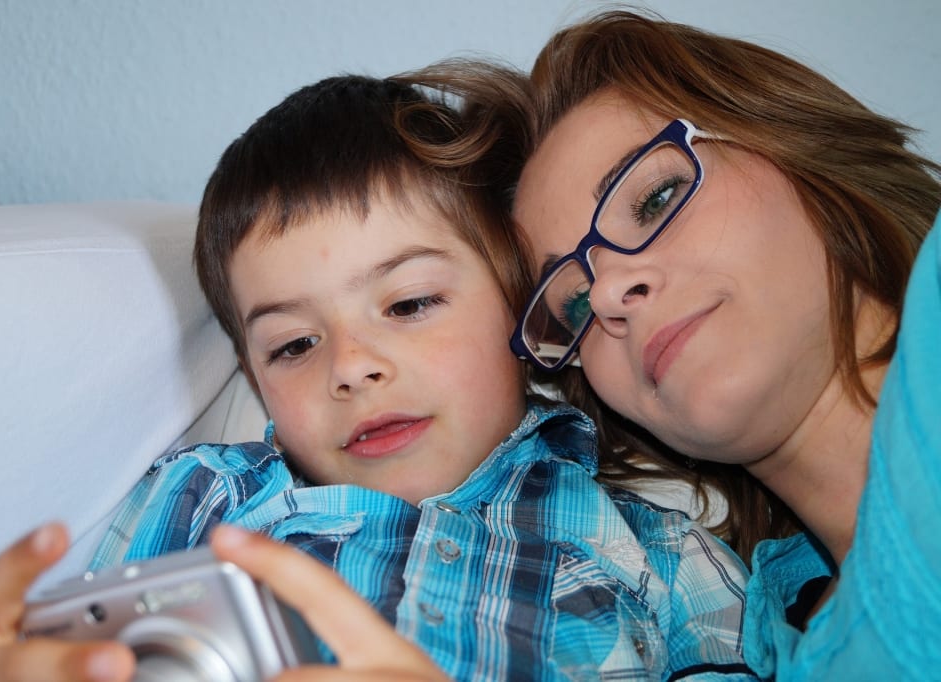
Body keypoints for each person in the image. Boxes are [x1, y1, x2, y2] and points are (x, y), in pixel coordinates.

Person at [0, 74, 758, 681]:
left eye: (411, 303)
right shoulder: (203, 497)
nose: (352, 366)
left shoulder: (658, 548)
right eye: (293, 346)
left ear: (518, 304)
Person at [402, 9, 941, 679]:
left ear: (798, 151)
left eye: (655, 198)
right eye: (571, 303)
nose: (603, 297)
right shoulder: (747, 642)